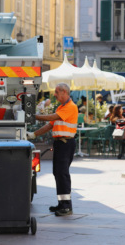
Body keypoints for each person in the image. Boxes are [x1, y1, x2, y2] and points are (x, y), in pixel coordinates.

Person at [26, 83, 78, 216]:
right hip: (61, 144)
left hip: (66, 144)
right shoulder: (62, 107)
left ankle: (67, 206)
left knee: (62, 174)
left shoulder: (70, 107)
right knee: (58, 173)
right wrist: (33, 135)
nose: (54, 95)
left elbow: (52, 118)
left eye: (56, 92)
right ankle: (62, 204)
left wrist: (33, 115)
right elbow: (50, 125)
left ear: (64, 92)